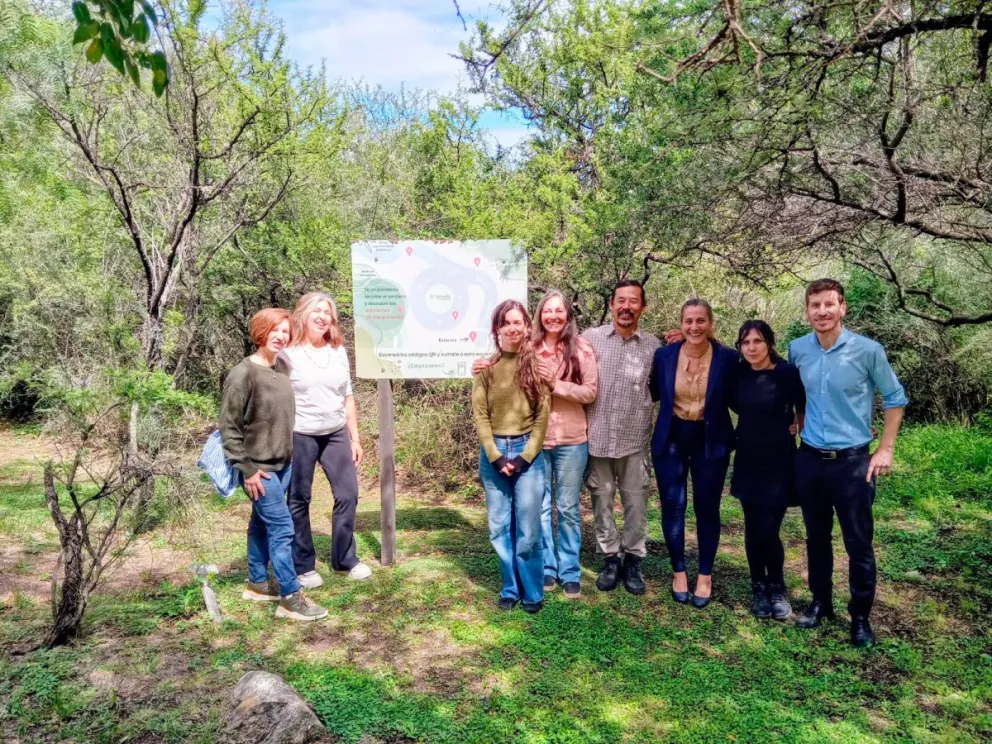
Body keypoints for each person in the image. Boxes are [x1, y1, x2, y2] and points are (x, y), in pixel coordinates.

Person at [789, 278, 907, 647]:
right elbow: (797, 393)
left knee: (858, 542)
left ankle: (860, 616)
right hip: (810, 459)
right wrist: (799, 420)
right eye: (815, 305)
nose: (822, 311)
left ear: (842, 307)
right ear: (807, 311)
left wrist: (885, 449)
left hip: (853, 463)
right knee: (816, 537)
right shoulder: (798, 349)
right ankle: (820, 602)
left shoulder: (868, 350)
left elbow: (895, 398)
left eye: (829, 304)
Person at [473, 291, 597, 598]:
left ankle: (570, 571)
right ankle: (546, 569)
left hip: (569, 438)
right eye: (547, 311)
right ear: (539, 317)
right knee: (538, 511)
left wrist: (555, 384)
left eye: (559, 311)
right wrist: (481, 364)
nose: (553, 316)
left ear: (568, 315)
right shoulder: (531, 348)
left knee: (567, 508)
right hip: (535, 443)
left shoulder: (580, 348)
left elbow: (589, 392)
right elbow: (502, 362)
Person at [219, 307, 327, 621]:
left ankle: (256, 583)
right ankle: (290, 598)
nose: (280, 336)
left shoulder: (282, 367)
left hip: (283, 464)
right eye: (274, 330)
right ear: (260, 332)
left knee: (260, 525)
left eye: (285, 331)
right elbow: (229, 428)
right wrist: (247, 470)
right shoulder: (242, 375)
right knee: (282, 529)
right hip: (258, 469)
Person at [649, 299, 737, 608]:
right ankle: (679, 572)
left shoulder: (728, 358)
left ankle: (705, 575)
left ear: (710, 324)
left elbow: (742, 394)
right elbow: (653, 391)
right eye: (688, 321)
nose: (694, 326)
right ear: (681, 323)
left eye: (701, 321)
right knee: (673, 506)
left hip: (710, 440)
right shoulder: (664, 355)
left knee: (707, 508)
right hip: (672, 438)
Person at [281, 292, 370, 590]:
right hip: (300, 433)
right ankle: (303, 565)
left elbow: (348, 397)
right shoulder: (287, 353)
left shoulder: (337, 351)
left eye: (327, 312)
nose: (322, 317)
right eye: (316, 311)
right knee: (298, 498)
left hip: (335, 432)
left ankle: (344, 560)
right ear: (303, 314)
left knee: (348, 494)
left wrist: (354, 438)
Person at [582, 280, 660, 595]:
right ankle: (610, 558)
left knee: (636, 504)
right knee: (601, 502)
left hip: (634, 440)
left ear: (643, 307)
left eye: (634, 301)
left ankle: (633, 560)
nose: (627, 307)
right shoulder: (590, 339)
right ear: (612, 305)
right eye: (621, 301)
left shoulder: (654, 346)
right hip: (597, 438)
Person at [472, 300, 551, 612]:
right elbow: (480, 415)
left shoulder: (537, 368)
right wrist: (495, 457)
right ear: (497, 329)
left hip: (527, 453)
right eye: (506, 323)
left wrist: (523, 458)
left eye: (518, 322)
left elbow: (542, 416)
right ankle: (510, 588)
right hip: (493, 453)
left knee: (529, 528)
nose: (513, 328)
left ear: (527, 327)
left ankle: (532, 592)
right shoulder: (485, 370)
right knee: (499, 526)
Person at [729, 320, 806, 621]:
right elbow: (734, 404)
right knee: (752, 527)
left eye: (758, 341)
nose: (751, 348)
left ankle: (777, 586)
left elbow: (804, 404)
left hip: (779, 460)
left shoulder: (787, 374)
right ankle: (758, 587)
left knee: (769, 529)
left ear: (770, 343)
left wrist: (799, 425)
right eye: (745, 342)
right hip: (748, 457)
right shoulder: (738, 373)